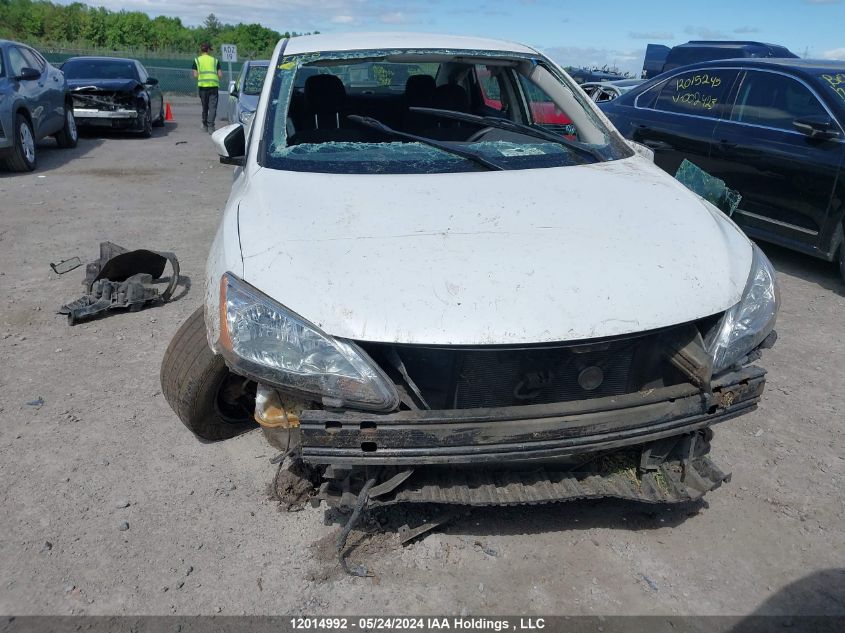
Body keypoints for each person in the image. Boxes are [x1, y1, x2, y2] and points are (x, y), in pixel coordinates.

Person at [192, 43, 223, 134]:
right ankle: (211, 127)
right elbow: (220, 75)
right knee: (212, 107)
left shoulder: (197, 60)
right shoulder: (215, 61)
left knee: (205, 107)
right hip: (213, 86)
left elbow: (195, 75)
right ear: (208, 50)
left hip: (203, 87)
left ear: (201, 50)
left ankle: (205, 125)